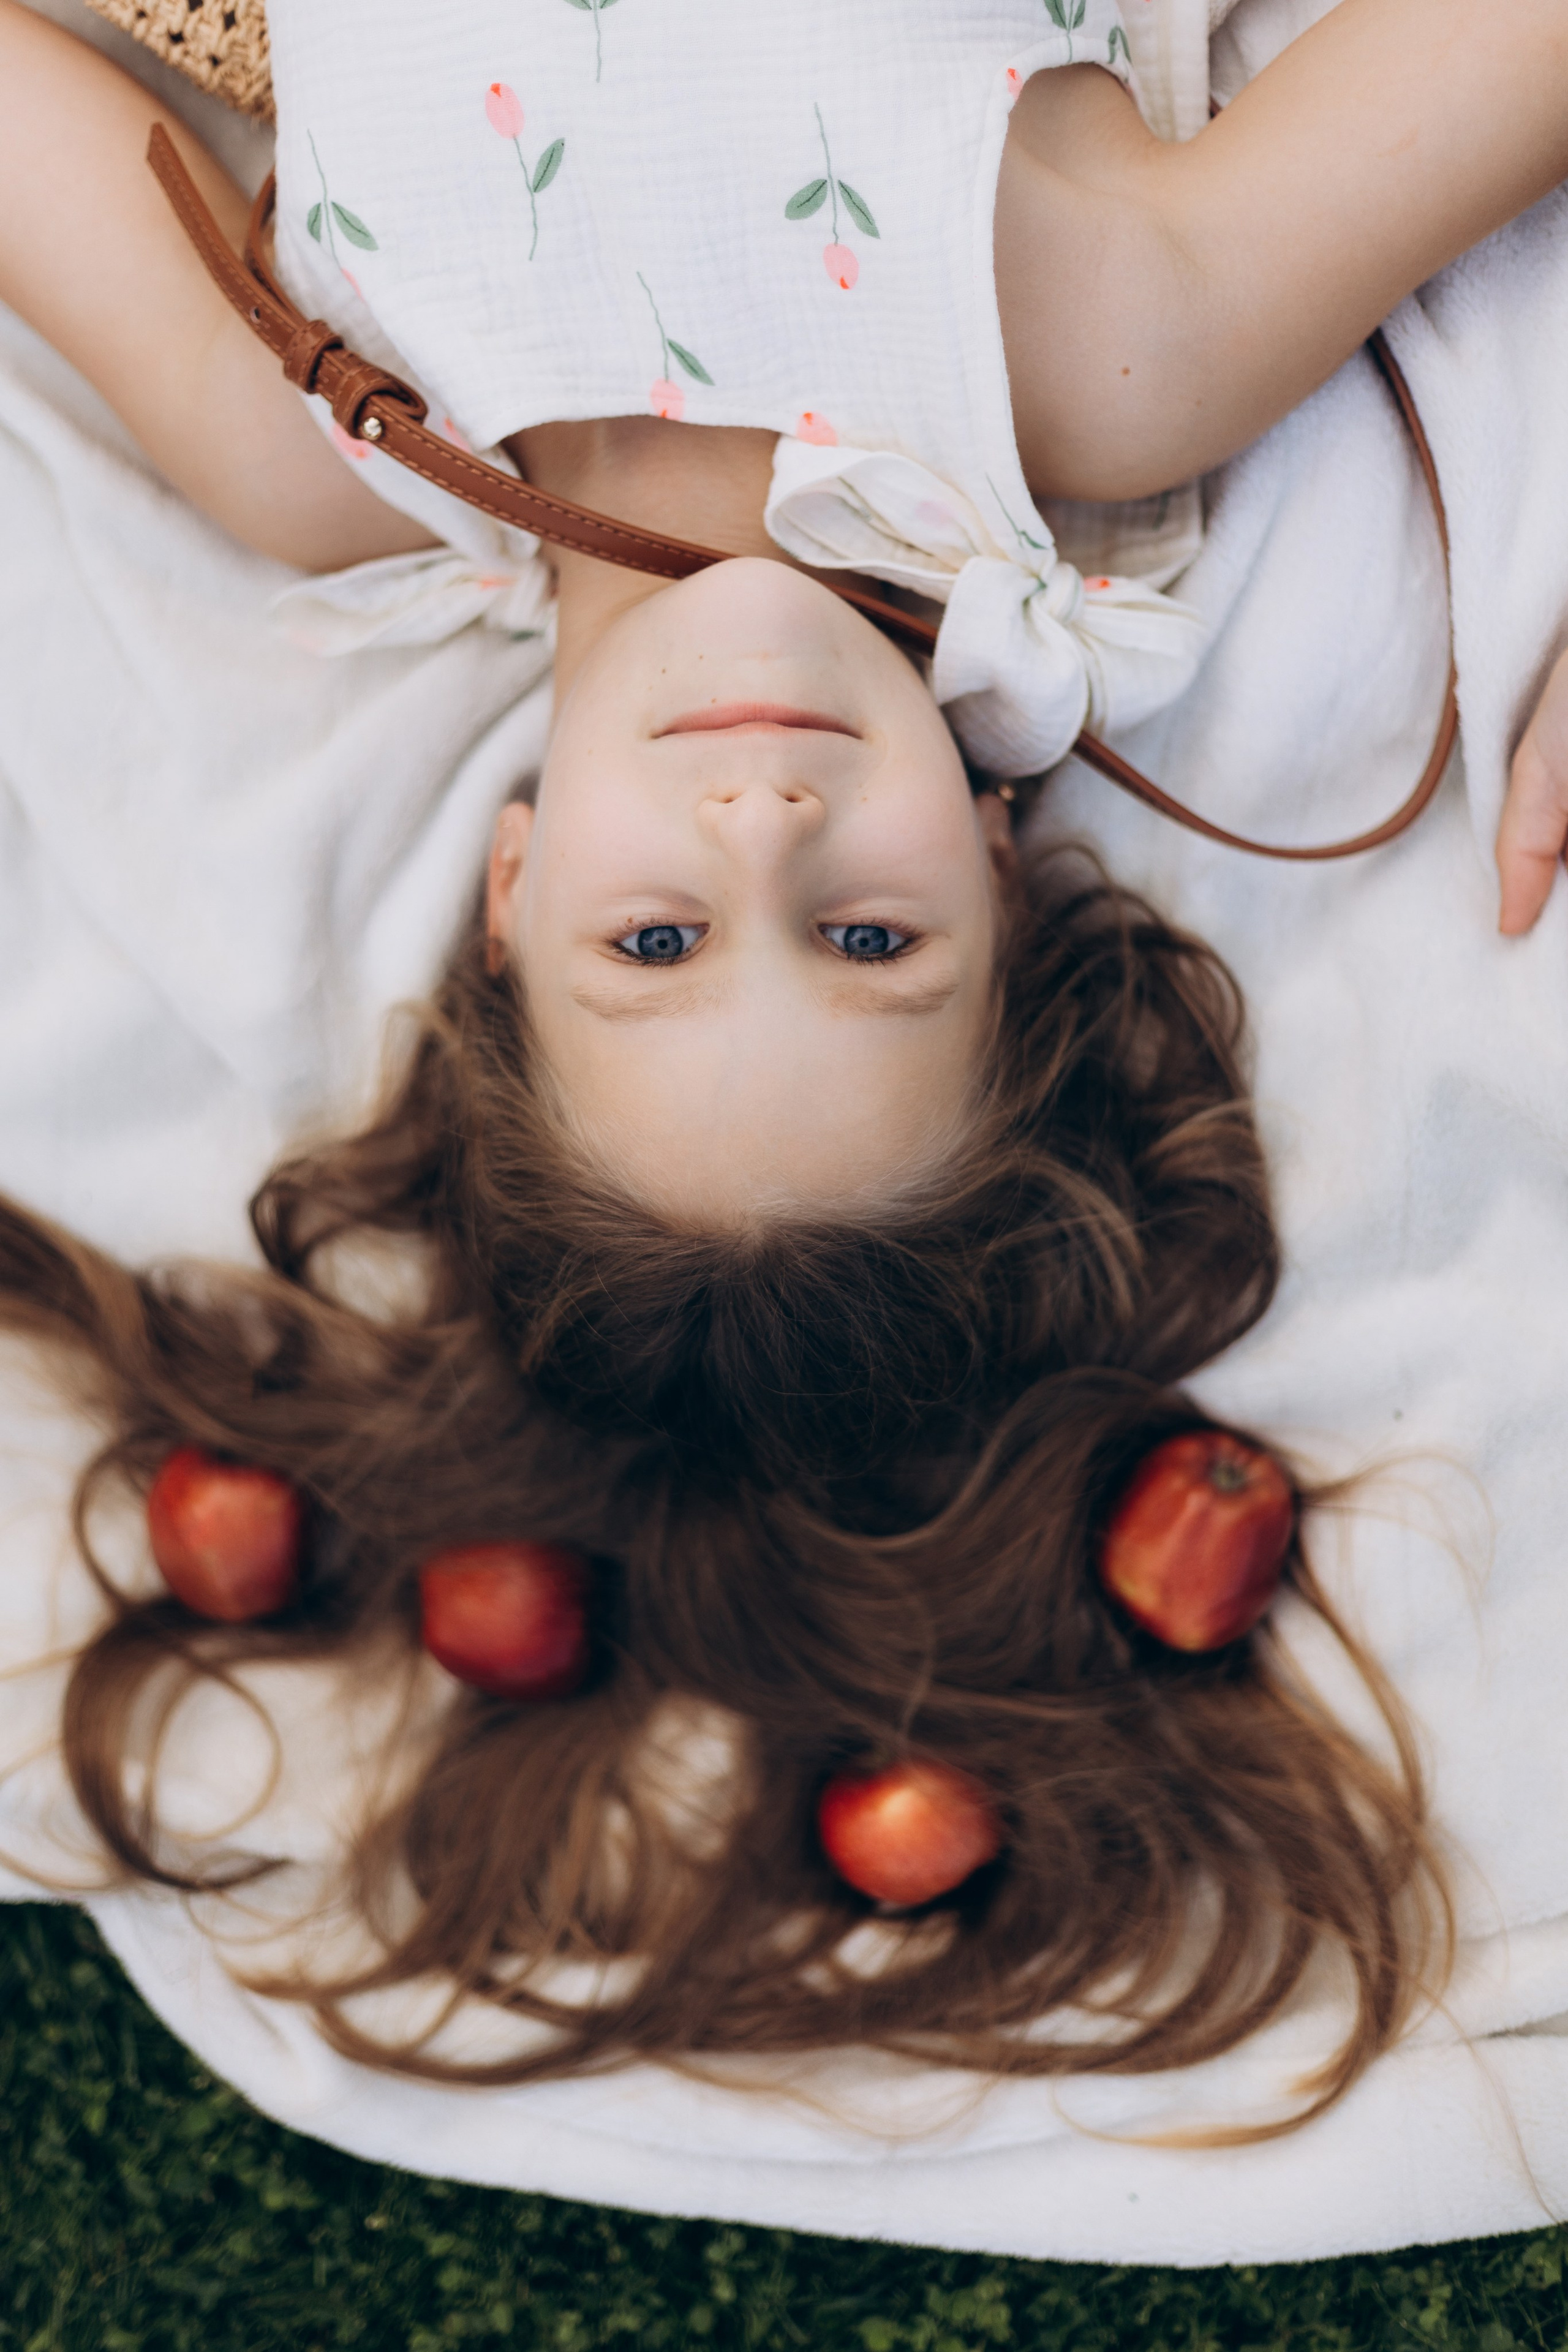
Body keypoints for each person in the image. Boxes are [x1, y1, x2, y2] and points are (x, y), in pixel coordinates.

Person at [0, 0, 1561, 2124]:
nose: (766, 834)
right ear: (1002, 880)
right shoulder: (1111, 356)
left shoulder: (307, 445)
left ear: (511, 894)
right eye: (871, 941)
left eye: (655, 945)